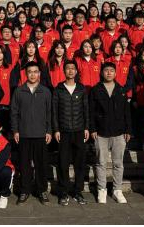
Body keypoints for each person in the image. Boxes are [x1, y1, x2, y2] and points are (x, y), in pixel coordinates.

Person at [89, 62, 132, 204]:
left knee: (118, 163)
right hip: (100, 132)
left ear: (115, 73)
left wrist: (128, 130)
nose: (109, 73)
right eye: (106, 70)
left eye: (111, 70)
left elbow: (127, 111)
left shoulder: (121, 90)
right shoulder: (95, 90)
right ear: (102, 73)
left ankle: (117, 190)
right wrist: (92, 128)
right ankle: (101, 190)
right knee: (101, 163)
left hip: (119, 132)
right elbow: (91, 111)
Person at [11, 62, 52, 205]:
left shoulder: (45, 91)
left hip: (41, 134)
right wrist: (15, 130)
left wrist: (49, 130)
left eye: (35, 71)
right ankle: (25, 190)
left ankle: (42, 190)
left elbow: (49, 113)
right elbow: (14, 113)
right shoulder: (19, 91)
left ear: (39, 74)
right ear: (26, 74)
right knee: (24, 165)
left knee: (41, 165)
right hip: (24, 134)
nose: (33, 74)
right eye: (30, 72)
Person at [52, 60, 89, 206]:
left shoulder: (81, 89)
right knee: (63, 163)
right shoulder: (58, 89)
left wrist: (86, 127)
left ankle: (78, 191)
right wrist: (56, 129)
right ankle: (63, 192)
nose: (70, 71)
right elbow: (54, 111)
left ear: (76, 71)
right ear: (64, 71)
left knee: (80, 163)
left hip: (79, 130)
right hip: (64, 131)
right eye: (68, 68)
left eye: (73, 68)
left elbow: (86, 109)